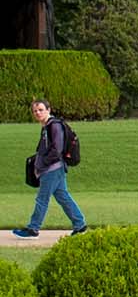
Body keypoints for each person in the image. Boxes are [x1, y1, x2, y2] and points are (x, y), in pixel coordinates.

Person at [13, 100, 85, 239]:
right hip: (55, 168)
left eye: (40, 109)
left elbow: (56, 150)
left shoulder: (54, 126)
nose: (38, 113)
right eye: (35, 111)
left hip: (52, 169)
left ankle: (33, 229)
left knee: (42, 199)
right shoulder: (47, 126)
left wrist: (41, 164)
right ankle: (80, 225)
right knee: (63, 197)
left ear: (48, 109)